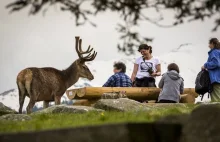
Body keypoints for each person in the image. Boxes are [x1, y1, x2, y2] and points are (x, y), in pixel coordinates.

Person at [202, 38, 220, 102]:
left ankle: (217, 112)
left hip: (216, 79)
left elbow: (216, 63)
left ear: (212, 43)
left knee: (216, 100)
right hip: (218, 78)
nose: (208, 46)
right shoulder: (218, 52)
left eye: (209, 43)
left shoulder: (214, 52)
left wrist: (205, 65)